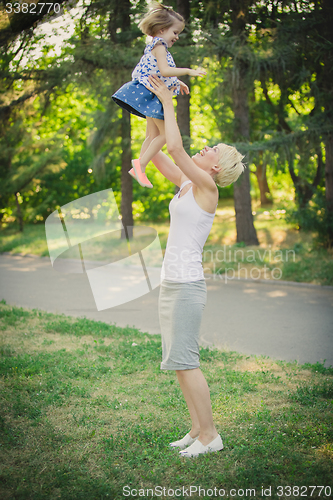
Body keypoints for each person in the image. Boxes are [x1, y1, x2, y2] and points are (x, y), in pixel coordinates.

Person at [147, 74, 245, 458]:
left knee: (187, 362)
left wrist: (169, 102)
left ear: (216, 168)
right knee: (177, 362)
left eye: (210, 149)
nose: (204, 148)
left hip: (188, 285)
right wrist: (152, 106)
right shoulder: (189, 185)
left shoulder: (207, 187)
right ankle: (195, 429)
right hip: (172, 281)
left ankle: (211, 437)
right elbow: (157, 153)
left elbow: (174, 145)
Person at [112, 2, 206, 189]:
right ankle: (141, 164)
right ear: (162, 30)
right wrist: (187, 71)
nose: (177, 37)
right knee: (164, 135)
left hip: (150, 92)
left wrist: (176, 82)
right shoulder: (160, 45)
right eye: (175, 32)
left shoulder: (155, 45)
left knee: (153, 134)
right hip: (151, 93)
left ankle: (138, 168)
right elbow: (164, 69)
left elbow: (157, 71)